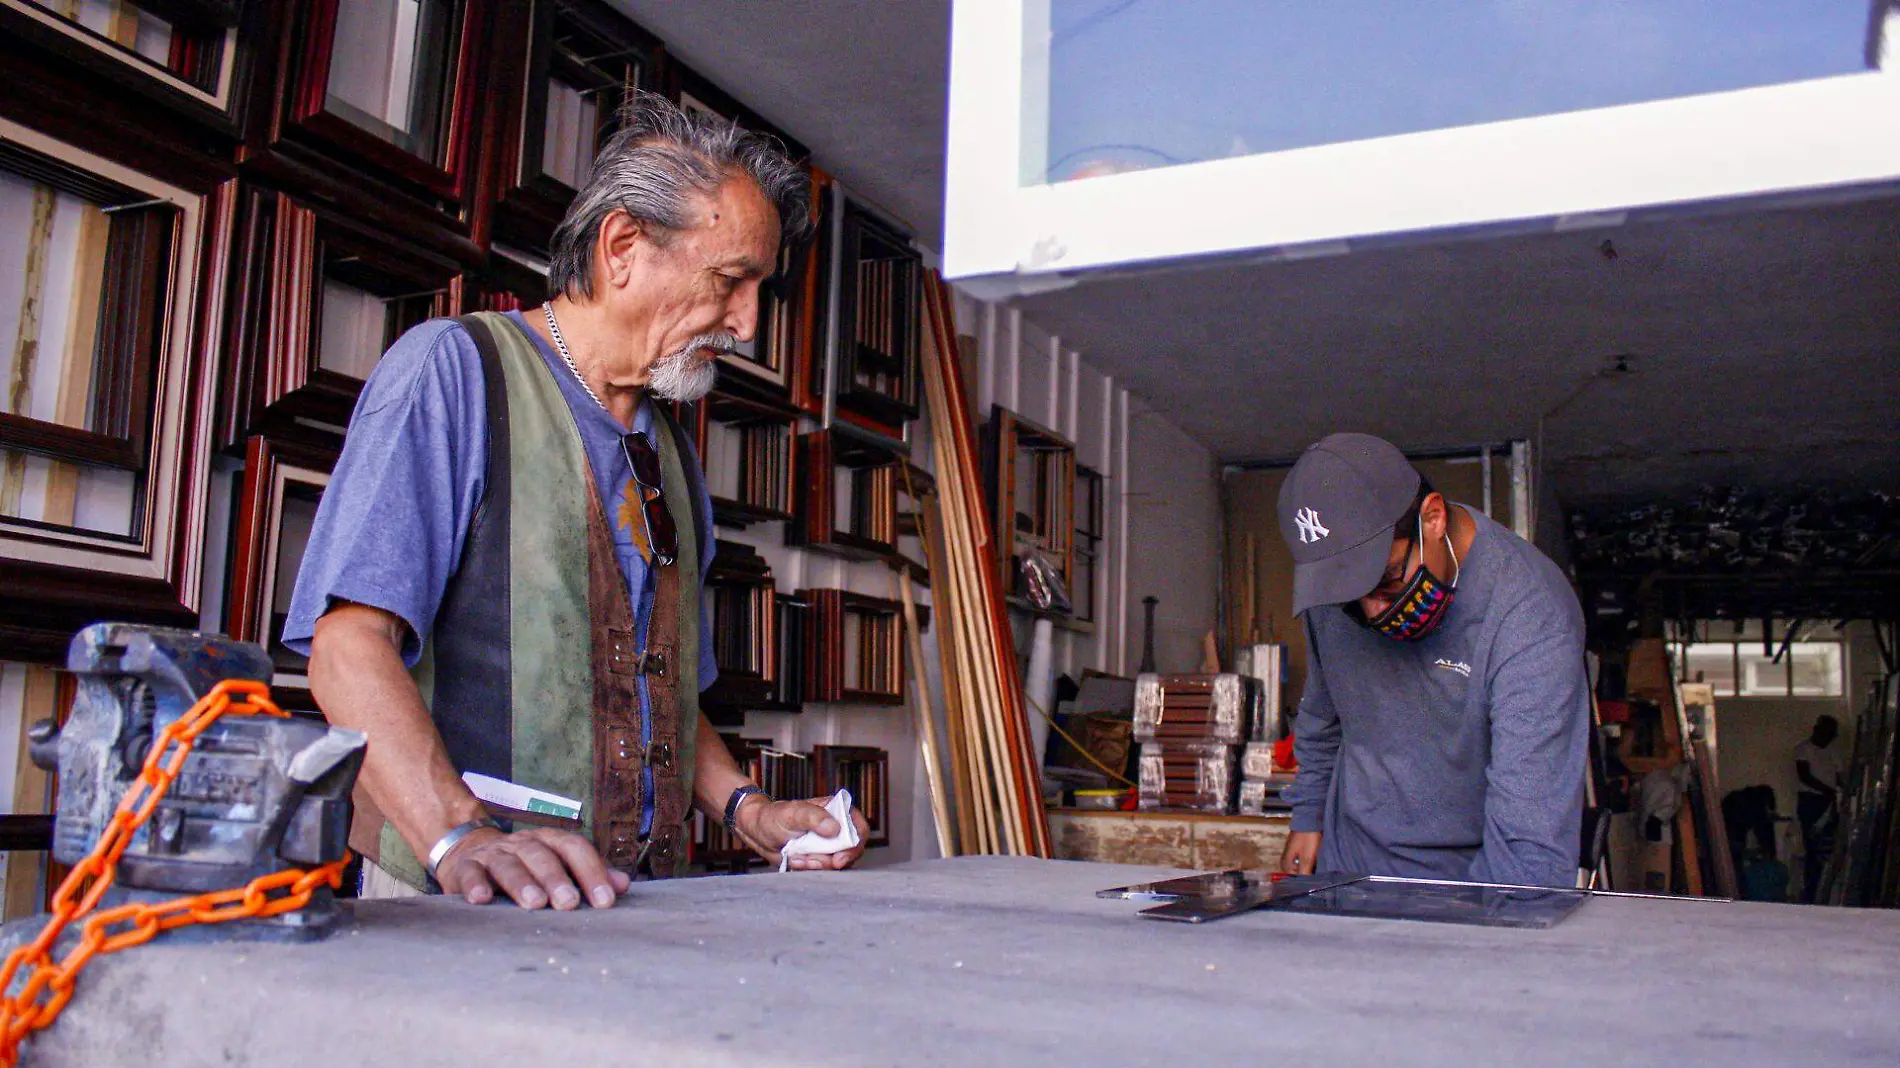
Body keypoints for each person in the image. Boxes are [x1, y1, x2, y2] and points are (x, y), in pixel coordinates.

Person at [284, 94, 866, 912]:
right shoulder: (454, 370)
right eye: (732, 281)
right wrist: (460, 837)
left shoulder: (671, 449)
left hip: (633, 905)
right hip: (456, 903)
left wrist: (748, 807)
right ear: (623, 245)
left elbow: (662, 698)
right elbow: (347, 650)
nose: (746, 323)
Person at [1274, 433, 1588, 888]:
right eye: (1350, 595)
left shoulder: (1531, 615)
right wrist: (1308, 815)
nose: (1372, 611)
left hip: (1469, 880)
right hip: (1347, 864)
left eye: (1386, 581)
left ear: (1434, 519)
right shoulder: (1337, 588)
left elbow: (1529, 838)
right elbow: (1323, 713)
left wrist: (1491, 927)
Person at [1794, 714, 1843, 903]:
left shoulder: (1834, 752)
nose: (1829, 739)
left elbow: (1840, 779)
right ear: (1817, 731)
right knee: (1812, 849)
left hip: (1829, 804)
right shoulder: (1803, 749)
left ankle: (1825, 891)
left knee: (1827, 849)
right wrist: (1828, 791)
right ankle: (1811, 892)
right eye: (1827, 734)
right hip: (1810, 803)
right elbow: (1804, 776)